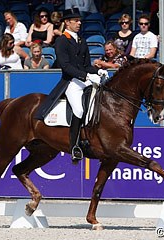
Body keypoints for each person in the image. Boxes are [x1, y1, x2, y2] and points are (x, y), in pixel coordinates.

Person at [34, 8, 108, 162]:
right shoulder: (61, 41)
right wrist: (86, 75)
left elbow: (86, 65)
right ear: (67, 23)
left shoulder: (81, 41)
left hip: (84, 79)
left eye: (79, 20)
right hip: (71, 82)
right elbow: (65, 66)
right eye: (76, 20)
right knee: (79, 109)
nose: (79, 23)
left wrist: (98, 71)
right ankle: (74, 146)